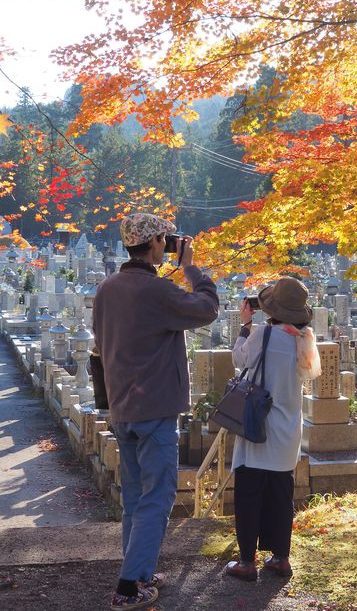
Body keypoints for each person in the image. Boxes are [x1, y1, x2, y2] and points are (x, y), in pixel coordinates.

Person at [93, 213, 219, 610]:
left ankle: (140, 569)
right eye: (164, 239)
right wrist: (191, 267)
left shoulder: (107, 288)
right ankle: (129, 587)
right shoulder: (155, 291)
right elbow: (207, 308)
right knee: (158, 497)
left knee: (134, 496)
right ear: (153, 245)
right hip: (156, 409)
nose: (168, 244)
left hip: (121, 407)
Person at [225, 276, 321, 582]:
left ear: (272, 309)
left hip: (259, 425)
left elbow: (239, 359)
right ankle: (280, 557)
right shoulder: (304, 340)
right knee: (281, 495)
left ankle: (246, 562)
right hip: (289, 428)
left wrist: (244, 326)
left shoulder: (263, 335)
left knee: (249, 494)